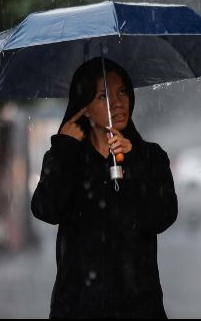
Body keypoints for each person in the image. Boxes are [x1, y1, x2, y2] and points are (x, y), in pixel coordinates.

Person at [31, 57, 178, 319]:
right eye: (103, 96)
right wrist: (65, 149)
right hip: (77, 307)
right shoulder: (66, 156)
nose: (119, 103)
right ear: (84, 108)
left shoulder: (149, 156)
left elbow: (162, 216)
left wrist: (131, 164)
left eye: (122, 92)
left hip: (139, 307)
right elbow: (46, 209)